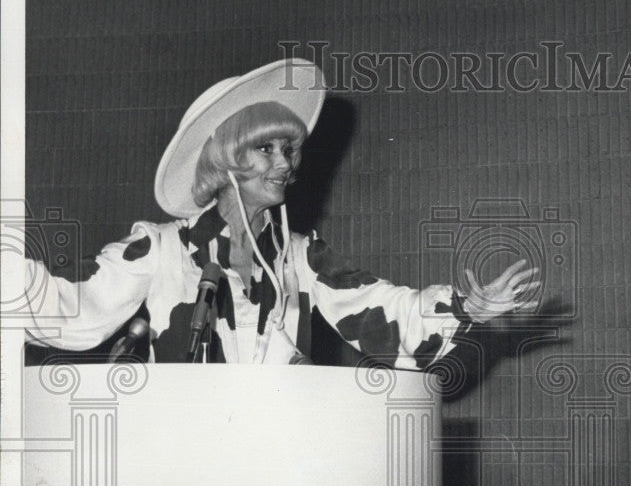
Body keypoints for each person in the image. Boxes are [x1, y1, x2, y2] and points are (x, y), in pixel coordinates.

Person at [22, 59, 539, 364]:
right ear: (225, 158)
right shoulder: (159, 249)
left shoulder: (301, 256)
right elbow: (76, 309)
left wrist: (468, 308)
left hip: (283, 466)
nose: (285, 164)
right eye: (266, 150)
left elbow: (385, 313)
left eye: (289, 150)